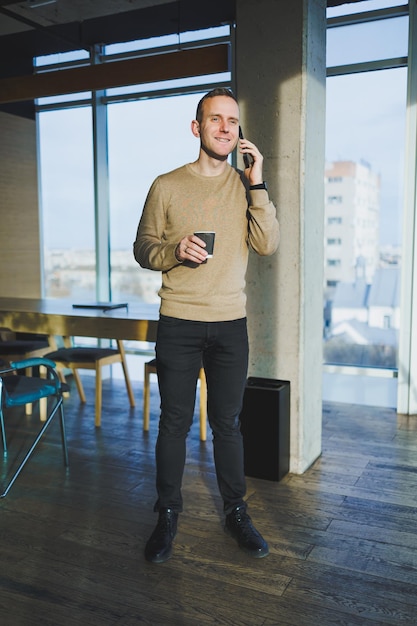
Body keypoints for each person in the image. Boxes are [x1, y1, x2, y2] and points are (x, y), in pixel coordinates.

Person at [133, 87, 280, 564]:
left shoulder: (244, 186)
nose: (225, 128)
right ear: (197, 128)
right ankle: (167, 513)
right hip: (178, 320)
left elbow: (267, 244)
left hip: (230, 323)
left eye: (232, 121)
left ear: (239, 130)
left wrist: (257, 183)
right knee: (173, 423)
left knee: (228, 424)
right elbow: (143, 248)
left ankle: (236, 511)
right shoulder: (166, 185)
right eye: (215, 119)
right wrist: (172, 251)